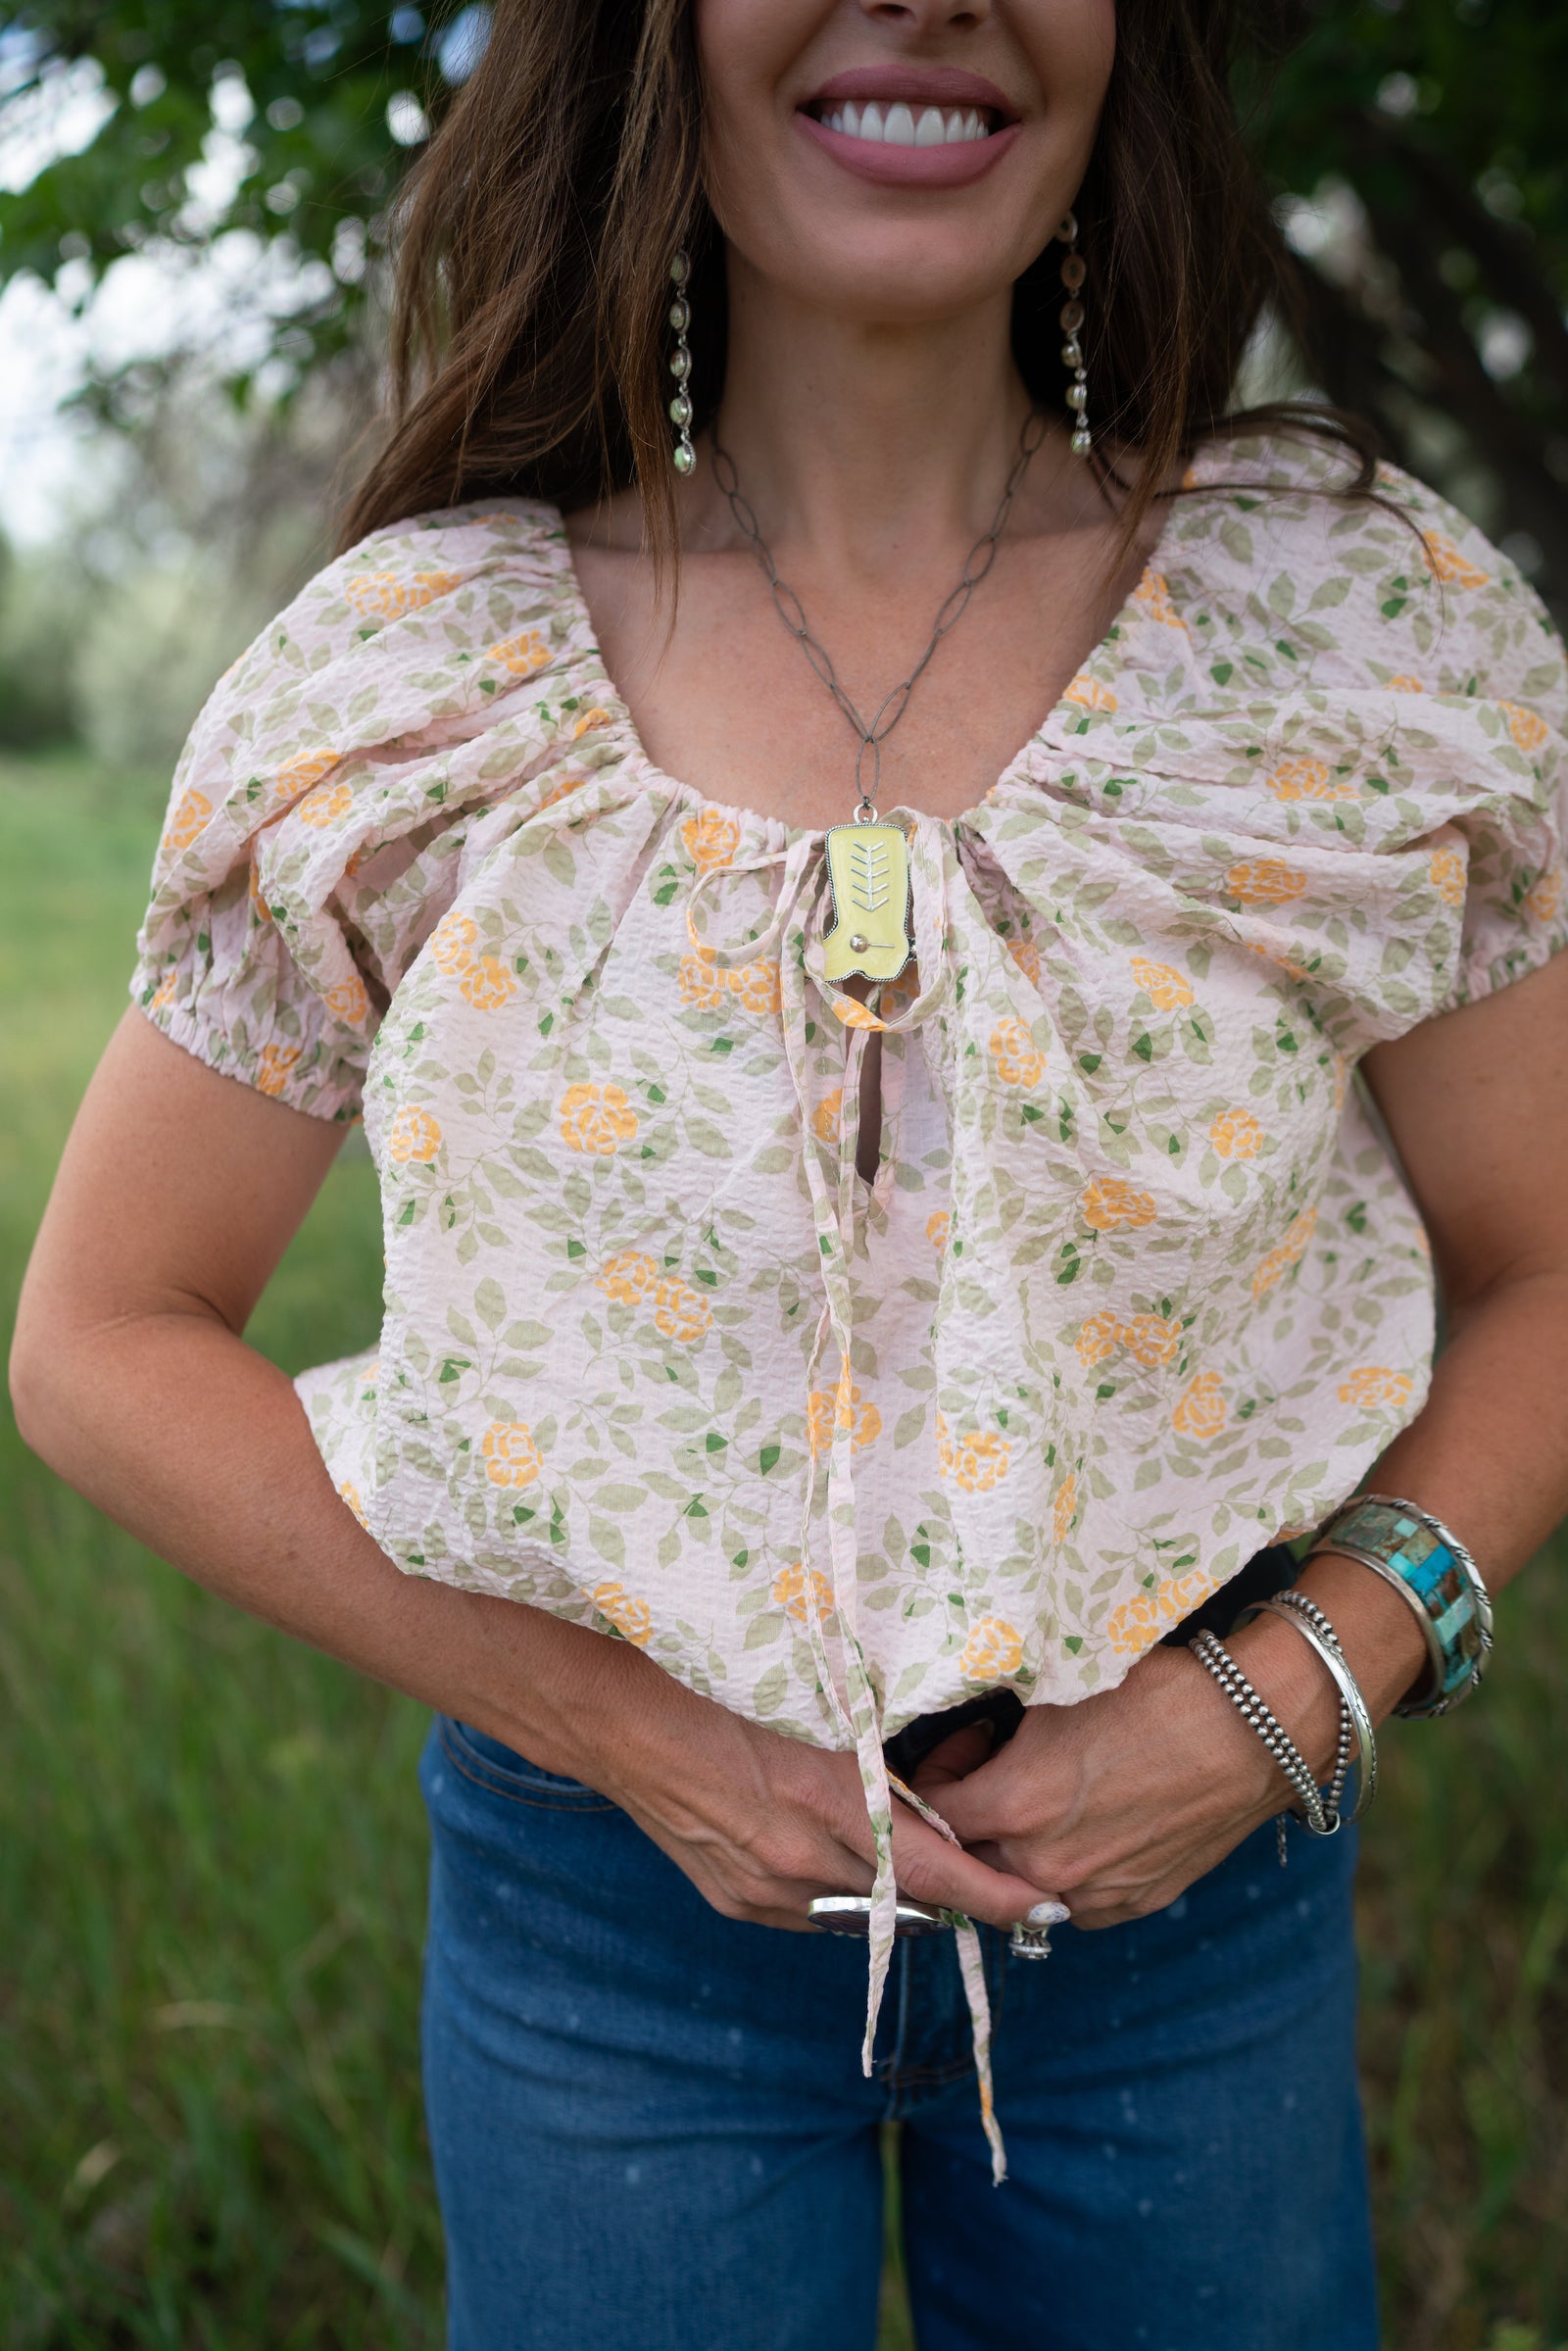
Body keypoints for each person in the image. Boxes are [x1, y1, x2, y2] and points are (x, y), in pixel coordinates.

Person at [13, 0, 1568, 2344]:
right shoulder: (409, 685)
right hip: (603, 1932)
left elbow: (1542, 1272)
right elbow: (99, 1342)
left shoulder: (1347, 643)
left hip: (1192, 1911)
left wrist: (1266, 1711)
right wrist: (637, 1743)